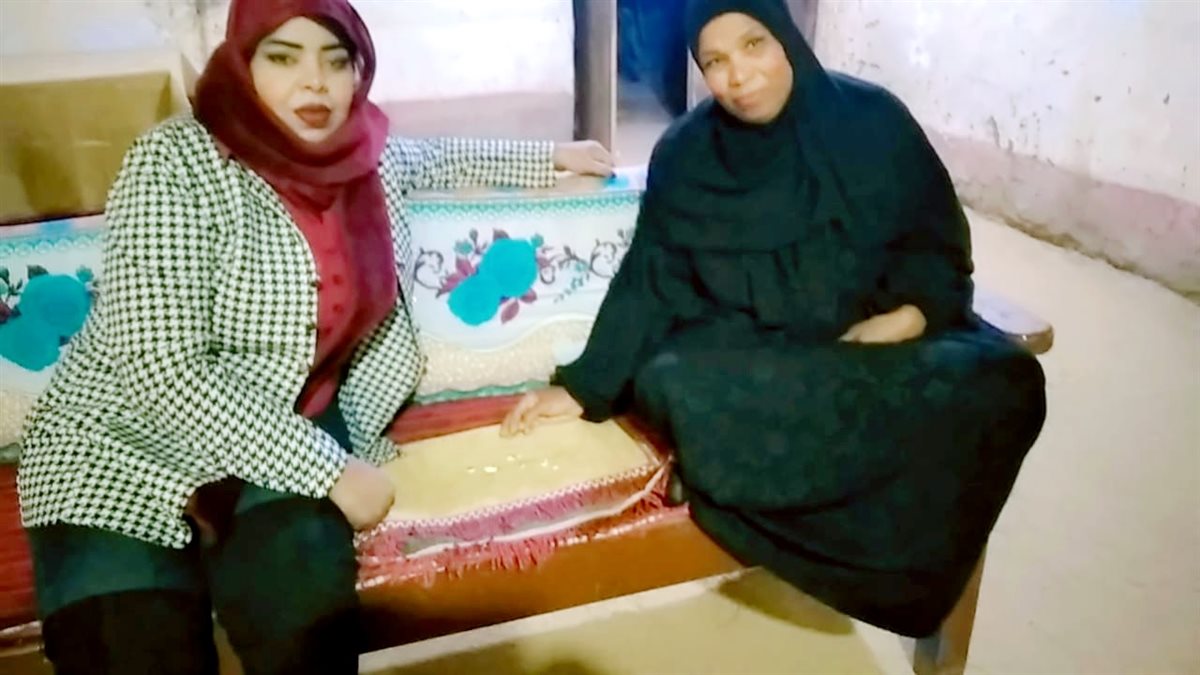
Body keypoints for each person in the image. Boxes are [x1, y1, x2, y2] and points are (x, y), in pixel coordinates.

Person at [17, 0, 611, 672]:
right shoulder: (178, 162)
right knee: (132, 649)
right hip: (122, 446)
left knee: (307, 634)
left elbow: (438, 157)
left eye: (336, 61)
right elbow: (161, 370)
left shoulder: (367, 159)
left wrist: (553, 156)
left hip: (281, 428)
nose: (315, 82)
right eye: (282, 57)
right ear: (242, 65)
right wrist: (332, 472)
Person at [502, 0, 1046, 637]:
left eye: (754, 44)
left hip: (864, 350)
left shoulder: (872, 121)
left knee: (1005, 381)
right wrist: (584, 386)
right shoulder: (687, 153)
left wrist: (912, 315)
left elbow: (935, 245)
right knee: (675, 383)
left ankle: (752, 497)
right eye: (715, 61)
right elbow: (650, 281)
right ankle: (754, 488)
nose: (738, 75)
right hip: (754, 354)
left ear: (785, 37)